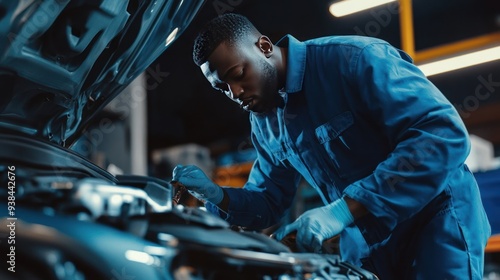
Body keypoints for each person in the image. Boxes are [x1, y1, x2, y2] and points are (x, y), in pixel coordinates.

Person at [172, 13, 491, 279]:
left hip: (434, 221)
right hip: (366, 242)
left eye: (238, 74)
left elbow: (440, 134)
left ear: (264, 46)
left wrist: (341, 211)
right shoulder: (265, 120)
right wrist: (216, 195)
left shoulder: (354, 60)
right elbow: (268, 200)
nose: (235, 92)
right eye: (222, 88)